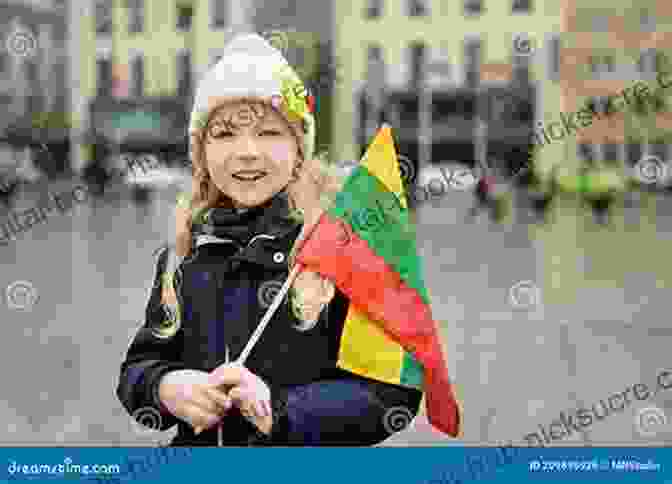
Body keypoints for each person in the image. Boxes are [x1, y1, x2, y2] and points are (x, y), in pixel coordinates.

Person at [116, 33, 423, 447]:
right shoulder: (183, 255)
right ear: (201, 151)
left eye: (269, 133)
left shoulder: (342, 248)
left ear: (299, 149)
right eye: (223, 134)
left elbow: (391, 396)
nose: (246, 152)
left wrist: (278, 410)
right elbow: (138, 367)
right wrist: (167, 387)